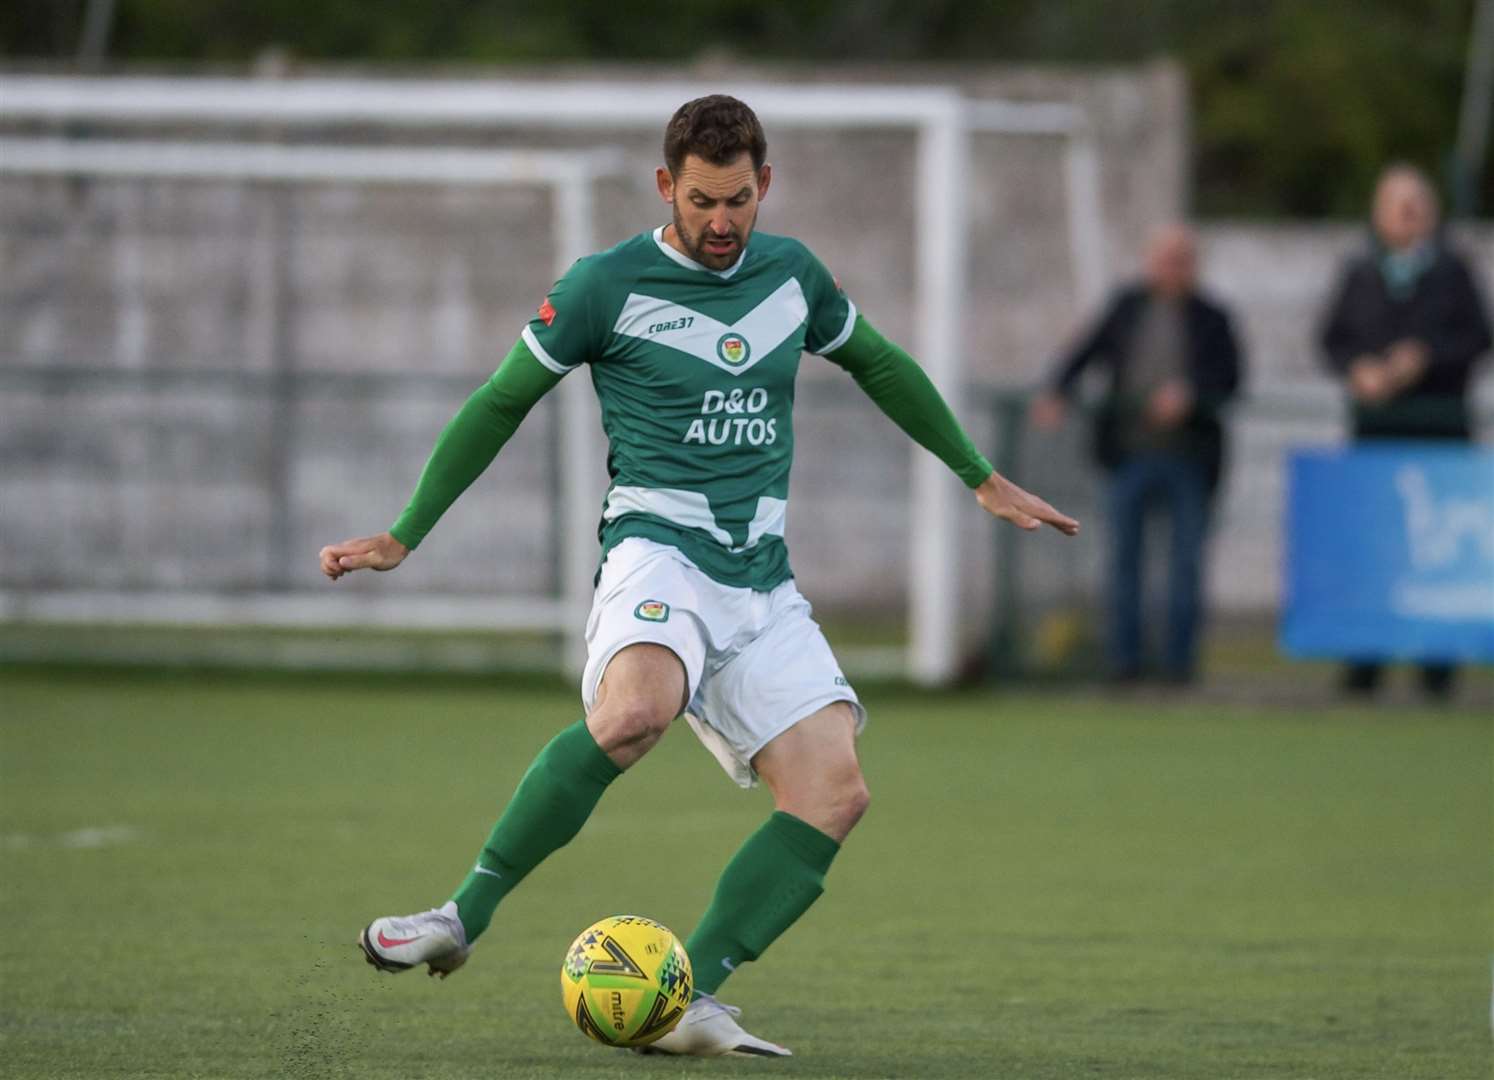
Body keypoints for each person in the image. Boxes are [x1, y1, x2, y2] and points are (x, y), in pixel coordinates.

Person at [318, 95, 1077, 1058]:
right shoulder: (604, 286)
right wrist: (404, 533)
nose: (723, 223)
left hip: (761, 579)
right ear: (666, 186)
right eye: (705, 201)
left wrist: (982, 478)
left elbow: (880, 365)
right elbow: (501, 401)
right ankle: (462, 916)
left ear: (767, 186)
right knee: (635, 712)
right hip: (658, 549)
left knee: (836, 795)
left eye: (741, 201)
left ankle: (686, 999)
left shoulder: (792, 275)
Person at [1030, 225, 1243, 684]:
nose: (1173, 267)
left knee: (1184, 564)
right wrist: (1056, 391)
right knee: (1123, 561)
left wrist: (1191, 394)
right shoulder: (1127, 307)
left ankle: (1178, 666)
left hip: (1190, 459)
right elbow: (1085, 352)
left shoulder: (1213, 317)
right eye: (1165, 257)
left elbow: (1231, 377)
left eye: (1182, 258)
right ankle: (1124, 663)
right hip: (1128, 456)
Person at [1318, 164, 1492, 700]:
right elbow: (1332, 339)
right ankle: (1363, 665)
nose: (1408, 212)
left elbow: (1478, 337)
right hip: (1375, 435)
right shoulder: (1361, 271)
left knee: (1433, 552)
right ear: (1379, 212)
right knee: (1372, 549)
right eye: (1398, 202)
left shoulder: (1452, 271)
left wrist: (1426, 359)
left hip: (1438, 433)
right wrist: (1359, 369)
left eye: (1417, 201)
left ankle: (1437, 671)